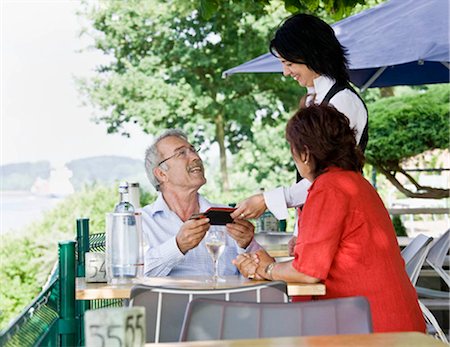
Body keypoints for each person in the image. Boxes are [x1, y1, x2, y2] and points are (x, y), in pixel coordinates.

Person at [233, 105, 425, 333]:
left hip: (371, 326)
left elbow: (307, 273)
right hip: (395, 318)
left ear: (304, 153)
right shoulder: (355, 182)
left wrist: (266, 269)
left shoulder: (329, 189)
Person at [231, 14, 368, 246]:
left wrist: (267, 200)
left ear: (311, 55)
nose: (285, 72)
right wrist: (300, 230)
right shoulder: (316, 99)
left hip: (339, 227)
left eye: (289, 63)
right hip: (322, 223)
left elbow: (327, 181)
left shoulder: (342, 101)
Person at [141, 129, 260, 277]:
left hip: (223, 299)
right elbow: (134, 275)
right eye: (181, 153)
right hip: (168, 300)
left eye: (193, 150)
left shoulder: (228, 215)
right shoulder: (141, 221)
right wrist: (177, 246)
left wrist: (247, 245)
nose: (195, 157)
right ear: (161, 174)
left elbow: (261, 272)